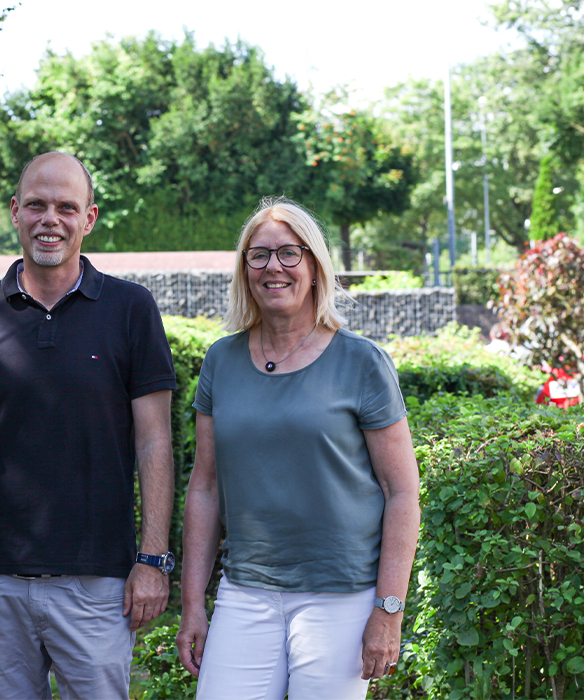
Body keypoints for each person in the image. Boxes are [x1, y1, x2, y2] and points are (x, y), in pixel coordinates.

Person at [0, 152, 177, 700]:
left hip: (99, 583)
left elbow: (155, 440)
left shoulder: (132, 309)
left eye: (66, 207)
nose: (51, 219)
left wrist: (153, 559)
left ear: (88, 219)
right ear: (16, 212)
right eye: (37, 205)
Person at [175, 196, 420, 699]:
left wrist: (388, 608)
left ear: (314, 265)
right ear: (245, 270)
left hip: (342, 598)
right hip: (246, 592)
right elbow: (206, 487)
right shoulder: (221, 360)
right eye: (258, 255)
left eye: (289, 253)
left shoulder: (362, 362)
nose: (273, 267)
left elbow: (402, 492)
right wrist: (193, 605)